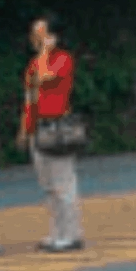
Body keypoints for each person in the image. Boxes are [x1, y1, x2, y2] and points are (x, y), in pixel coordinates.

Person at [19, 13, 85, 252]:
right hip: (38, 125)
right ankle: (57, 232)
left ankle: (72, 234)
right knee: (47, 183)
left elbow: (47, 80)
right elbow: (30, 97)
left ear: (54, 36)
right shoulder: (33, 64)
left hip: (57, 125)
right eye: (35, 33)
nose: (36, 38)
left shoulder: (63, 59)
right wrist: (24, 128)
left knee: (63, 182)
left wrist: (45, 52)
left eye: (42, 33)